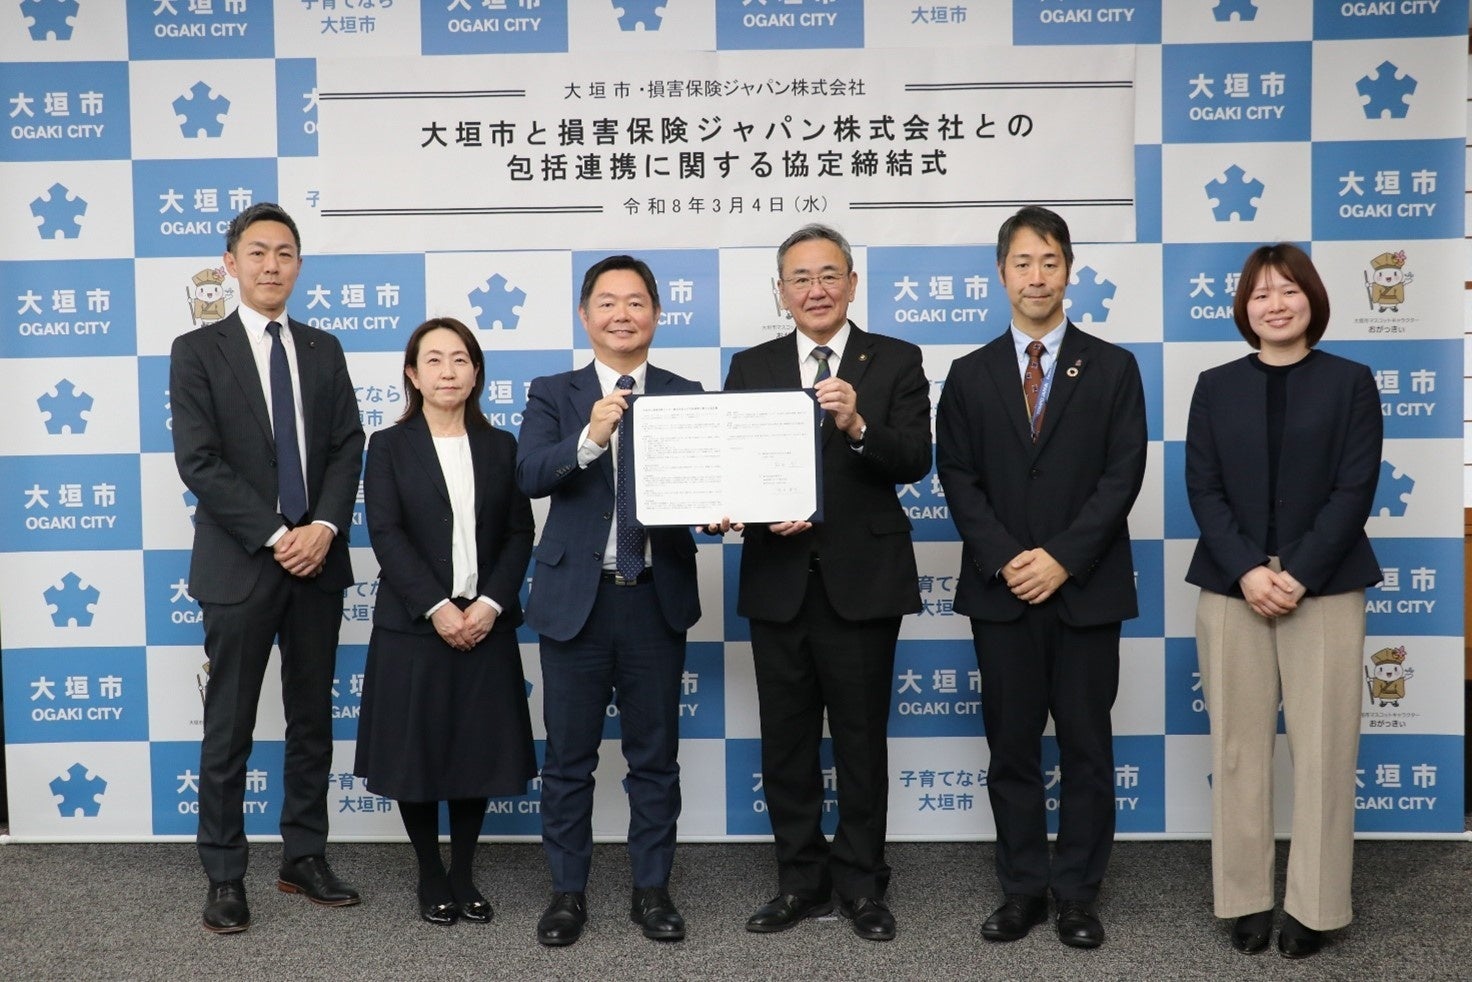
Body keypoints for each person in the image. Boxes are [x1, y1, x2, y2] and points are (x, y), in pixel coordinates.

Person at [935, 205, 1147, 950]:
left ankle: (1079, 893)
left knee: (1088, 747)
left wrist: (1061, 557)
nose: (1036, 276)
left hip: (1086, 587)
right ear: (1002, 273)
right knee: (1012, 748)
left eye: (1050, 262)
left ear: (1068, 270)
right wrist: (1007, 558)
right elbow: (958, 477)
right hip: (1003, 593)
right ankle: (1023, 888)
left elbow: (1123, 475)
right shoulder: (969, 374)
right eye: (1023, 262)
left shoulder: (1114, 367)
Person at [720, 224, 931, 943]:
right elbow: (734, 467)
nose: (816, 289)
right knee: (786, 743)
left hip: (861, 581)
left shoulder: (896, 359)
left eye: (829, 275)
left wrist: (859, 423)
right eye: (800, 278)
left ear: (852, 282)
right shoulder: (752, 366)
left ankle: (863, 885)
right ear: (781, 292)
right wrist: (745, 511)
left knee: (861, 742)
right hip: (778, 579)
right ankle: (799, 883)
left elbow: (915, 459)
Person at [170, 202, 366, 933]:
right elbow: (199, 461)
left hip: (318, 561)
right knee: (229, 725)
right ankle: (225, 873)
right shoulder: (197, 350)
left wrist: (323, 527)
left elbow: (347, 445)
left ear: (299, 265)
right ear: (231, 264)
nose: (271, 265)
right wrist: (278, 534)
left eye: (284, 253)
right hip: (241, 563)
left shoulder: (323, 347)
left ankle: (303, 855)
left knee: (312, 719)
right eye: (257, 252)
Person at [1185, 243, 1382, 960]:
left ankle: (1315, 906)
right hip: (1232, 587)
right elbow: (1202, 487)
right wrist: (1247, 569)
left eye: (1289, 290)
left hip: (1323, 587)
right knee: (1238, 751)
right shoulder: (1214, 386)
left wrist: (1297, 573)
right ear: (1245, 307)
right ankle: (1246, 899)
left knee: (1325, 752)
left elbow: (1354, 488)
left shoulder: (1351, 382)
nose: (1276, 304)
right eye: (1261, 292)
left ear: (1312, 300)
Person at [515, 255, 702, 947]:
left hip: (655, 597)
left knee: (655, 759)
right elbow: (530, 474)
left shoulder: (685, 393)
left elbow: (705, 483)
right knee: (569, 761)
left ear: (657, 313)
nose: (622, 314)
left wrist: (723, 508)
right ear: (585, 315)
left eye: (636, 302)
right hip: (576, 601)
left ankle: (652, 891)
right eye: (607, 302)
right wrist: (590, 439)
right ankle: (567, 894)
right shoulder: (552, 393)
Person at [354, 317, 538, 926]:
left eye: (459, 359)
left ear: (476, 372)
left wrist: (489, 605)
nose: (447, 371)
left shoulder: (502, 446)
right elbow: (386, 533)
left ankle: (463, 871)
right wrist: (438, 607)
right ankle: (430, 871)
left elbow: (519, 533)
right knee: (418, 753)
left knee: (473, 751)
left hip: (486, 623)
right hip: (415, 624)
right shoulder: (388, 445)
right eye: (433, 360)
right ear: (412, 374)